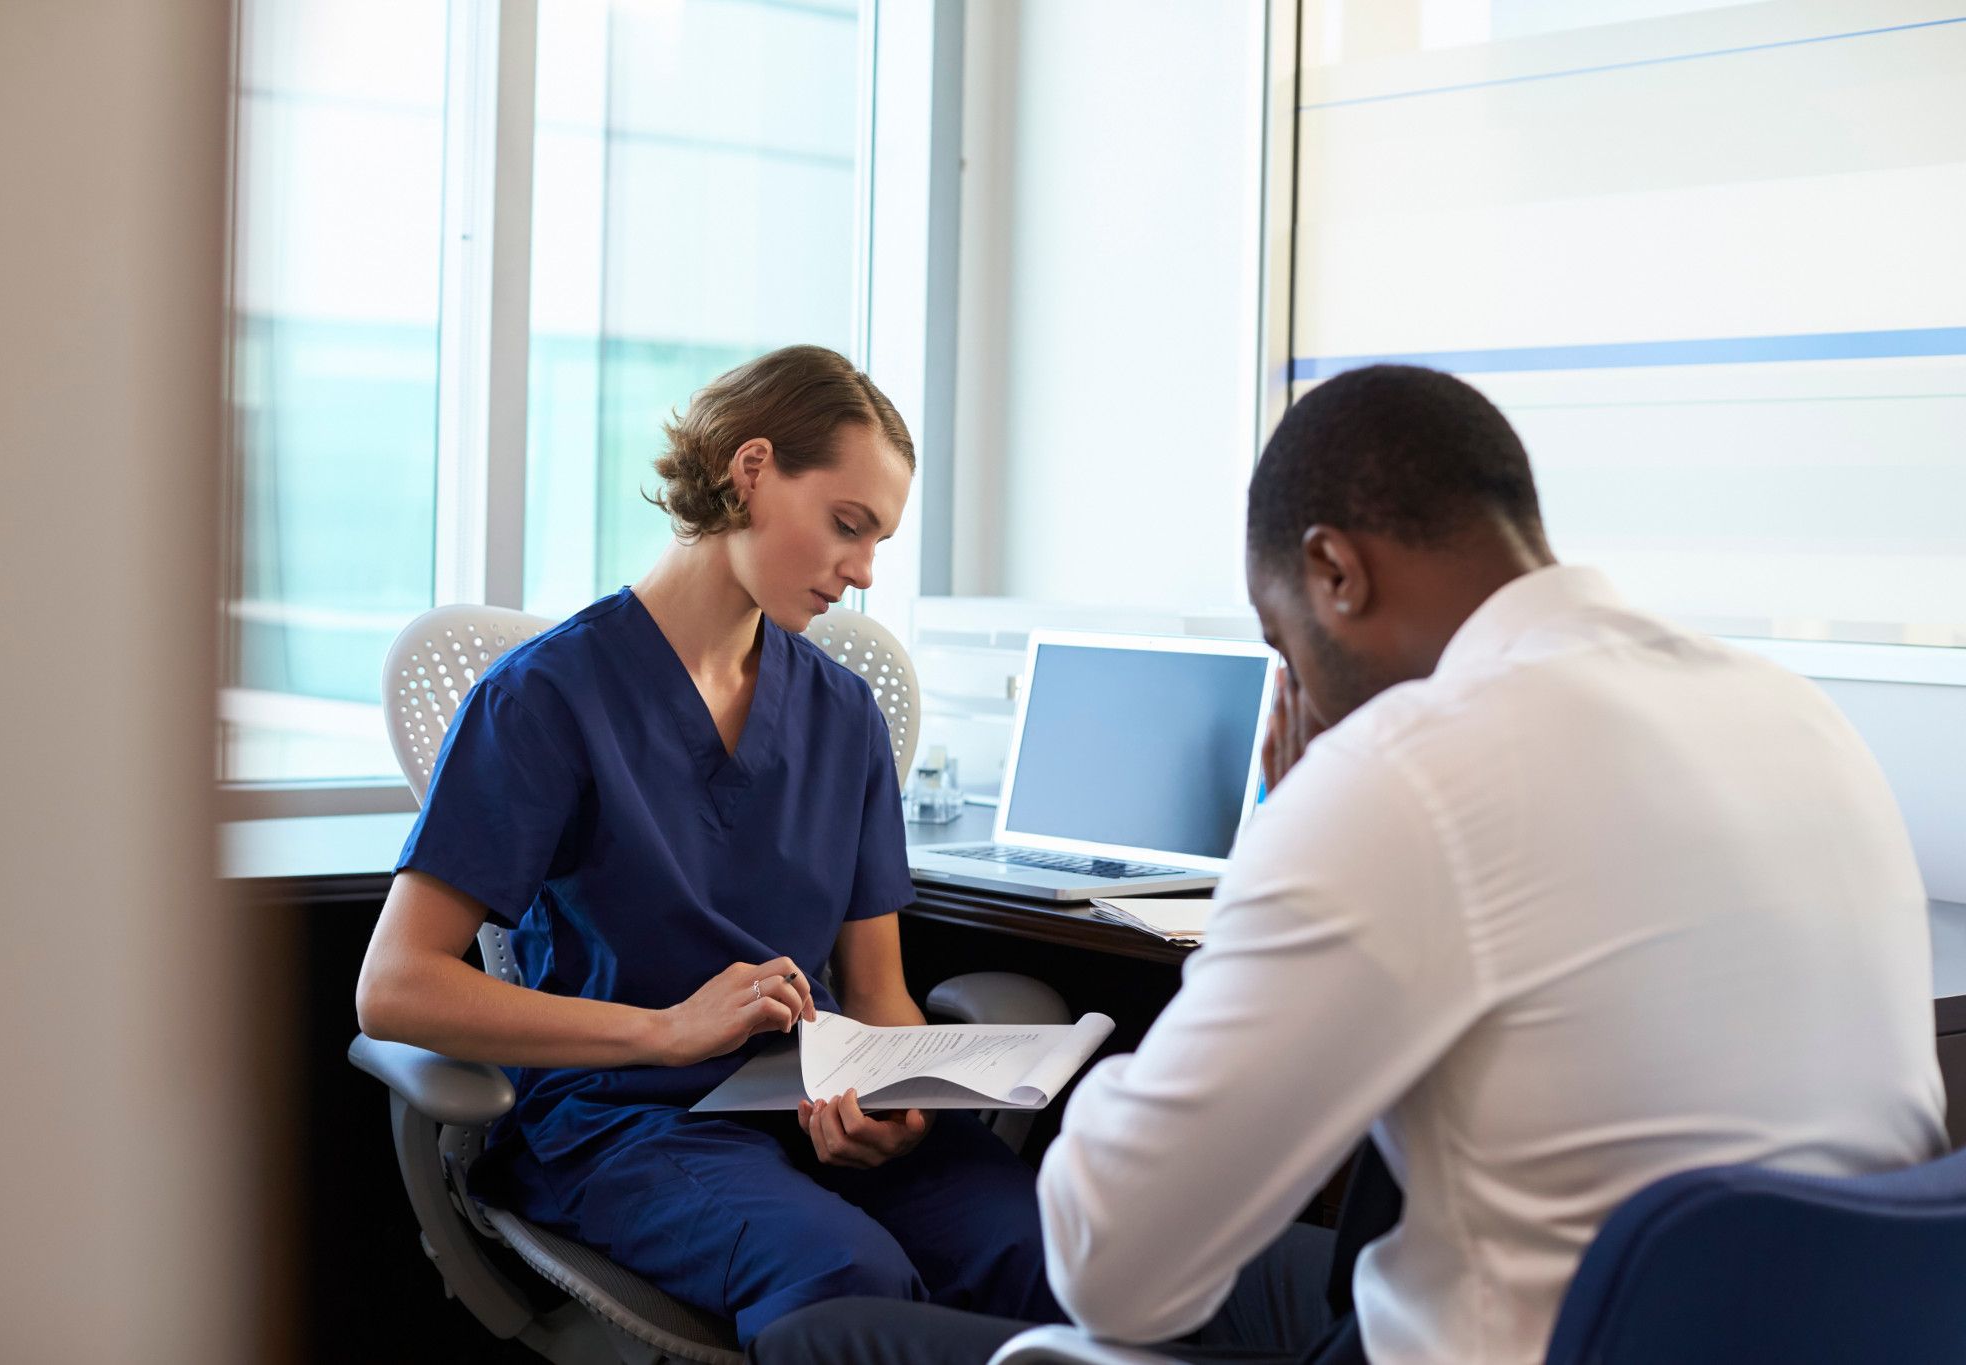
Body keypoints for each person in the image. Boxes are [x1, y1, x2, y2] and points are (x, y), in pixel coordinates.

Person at [750, 364, 1947, 1365]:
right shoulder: (1792, 718)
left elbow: (1114, 1271)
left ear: (1334, 571)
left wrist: (1290, 821)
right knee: (1279, 1258)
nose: (1299, 692)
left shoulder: (1411, 768)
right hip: (1761, 1332)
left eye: (1282, 641)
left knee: (833, 1343)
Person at [355, 345, 1061, 1346]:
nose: (861, 573)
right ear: (752, 470)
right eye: (847, 526)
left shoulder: (843, 714)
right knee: (846, 1274)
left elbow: (879, 992)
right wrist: (664, 1033)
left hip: (802, 1107)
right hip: (623, 1122)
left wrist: (889, 1097)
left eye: (877, 543)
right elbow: (394, 988)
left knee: (1049, 1248)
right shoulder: (546, 699)